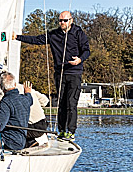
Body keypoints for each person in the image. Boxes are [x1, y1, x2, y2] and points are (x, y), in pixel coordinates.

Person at [14, 10, 90, 140]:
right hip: (59, 73)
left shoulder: (78, 33)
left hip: (74, 72)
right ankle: (61, 131)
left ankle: (71, 132)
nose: (62, 23)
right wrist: (17, 37)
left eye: (65, 20)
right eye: (60, 20)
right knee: (61, 103)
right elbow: (37, 40)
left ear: (71, 21)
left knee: (71, 103)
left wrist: (79, 60)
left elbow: (86, 50)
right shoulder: (54, 34)